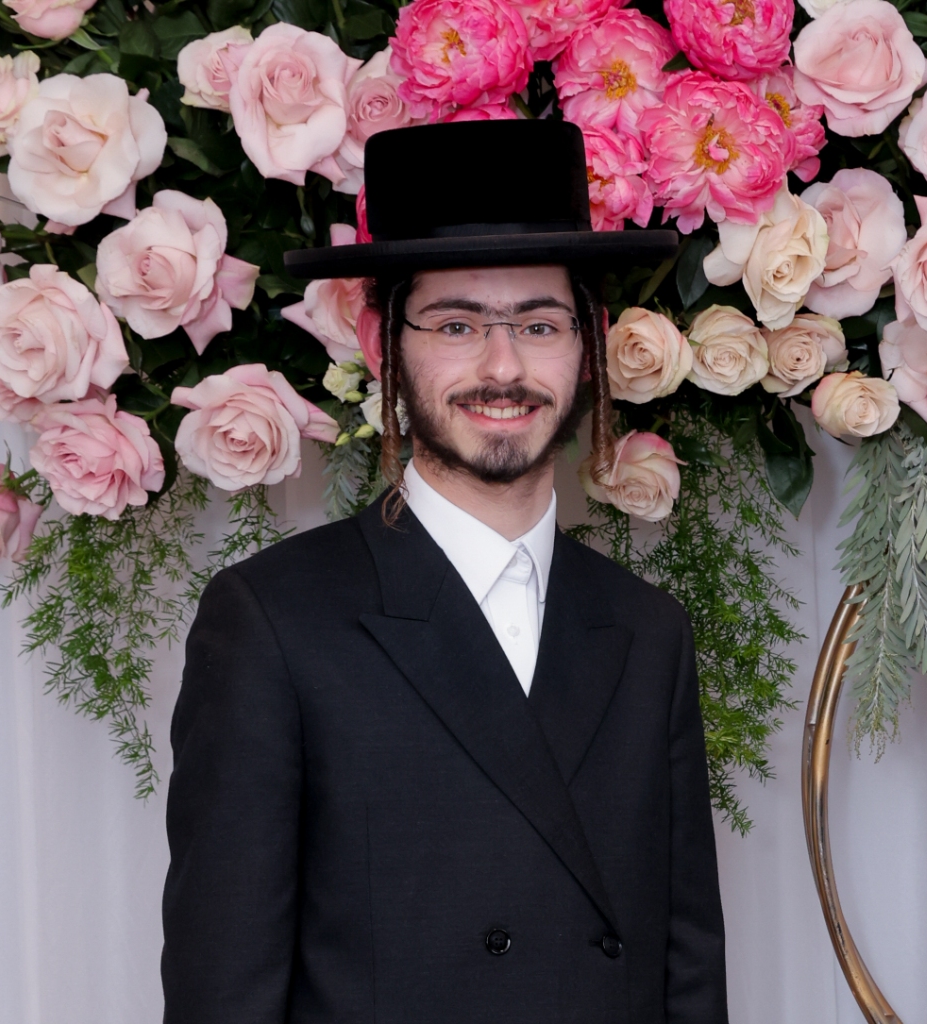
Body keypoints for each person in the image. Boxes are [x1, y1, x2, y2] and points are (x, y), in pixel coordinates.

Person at [161, 120, 730, 1024]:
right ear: (381, 342)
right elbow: (222, 991)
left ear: (589, 342)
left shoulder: (647, 628)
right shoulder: (273, 622)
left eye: (539, 324)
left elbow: (686, 973)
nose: (503, 367)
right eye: (457, 324)